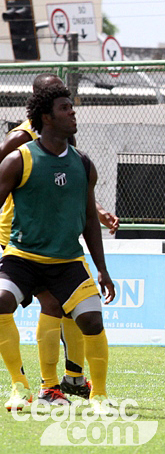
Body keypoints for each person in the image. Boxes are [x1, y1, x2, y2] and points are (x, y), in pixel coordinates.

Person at [0, 74, 119, 406]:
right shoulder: (19, 149)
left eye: (72, 106)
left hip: (65, 257)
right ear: (45, 114)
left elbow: (86, 218)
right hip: (20, 250)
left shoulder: (81, 162)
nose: (73, 112)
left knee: (87, 317)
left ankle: (85, 389)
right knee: (3, 301)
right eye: (65, 107)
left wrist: (102, 268)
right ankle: (24, 386)